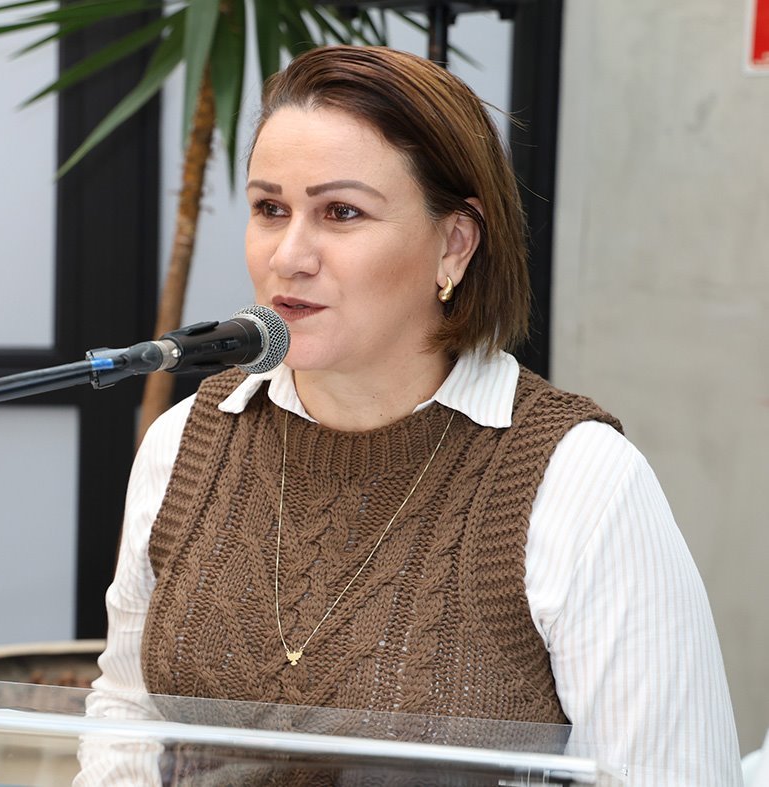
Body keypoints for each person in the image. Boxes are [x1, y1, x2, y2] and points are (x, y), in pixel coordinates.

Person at [80, 45, 741, 785]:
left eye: (341, 212)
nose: (288, 256)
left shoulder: (580, 479)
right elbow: (128, 707)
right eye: (270, 209)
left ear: (454, 245)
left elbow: (670, 773)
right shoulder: (186, 444)